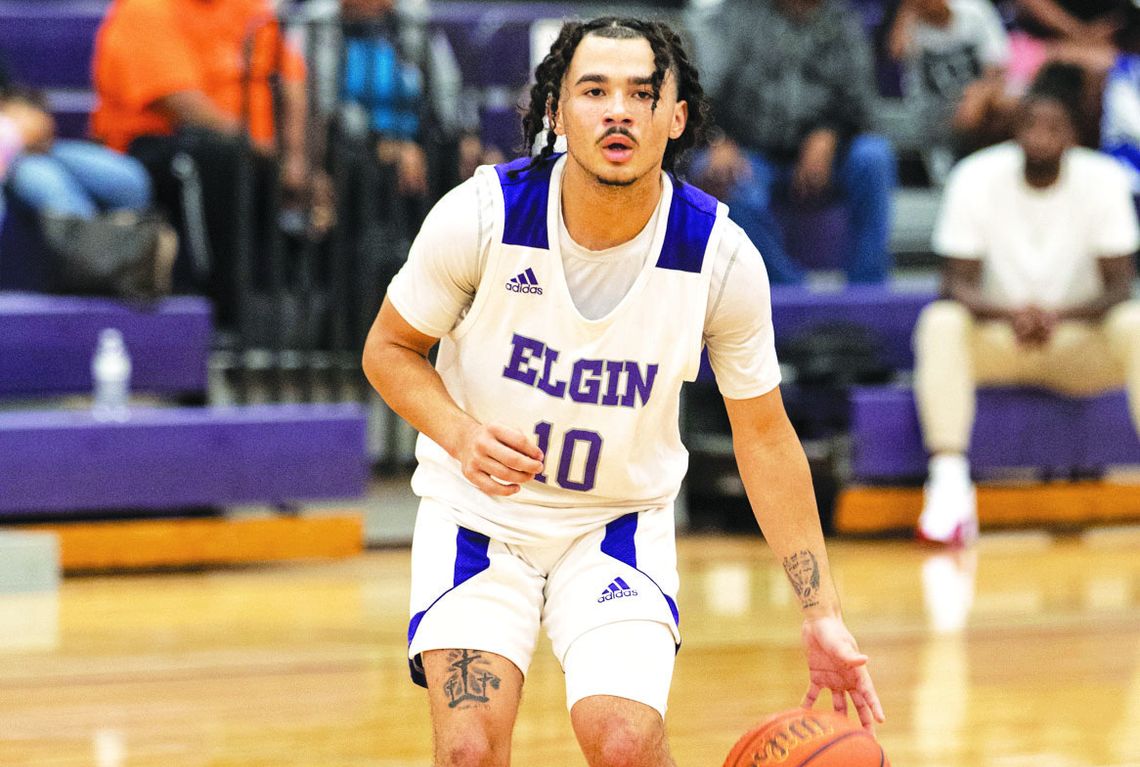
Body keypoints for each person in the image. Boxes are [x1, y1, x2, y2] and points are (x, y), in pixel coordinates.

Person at [362, 16, 884, 766]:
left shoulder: (719, 256)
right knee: (468, 751)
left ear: (675, 118)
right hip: (477, 519)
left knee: (623, 743)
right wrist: (460, 432)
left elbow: (764, 436)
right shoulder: (481, 215)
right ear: (555, 110)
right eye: (594, 90)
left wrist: (821, 612)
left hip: (614, 525)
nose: (618, 110)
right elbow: (388, 349)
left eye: (642, 93)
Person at [913, 62, 1140, 545]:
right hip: (1001, 339)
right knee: (940, 321)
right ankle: (950, 489)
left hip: (1078, 344)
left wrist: (1058, 316)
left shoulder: (1103, 180)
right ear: (1015, 132)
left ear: (1074, 136)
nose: (1041, 137)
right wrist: (1012, 314)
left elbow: (1121, 286)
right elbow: (954, 284)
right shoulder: (975, 177)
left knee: (1136, 321)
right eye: (1031, 125)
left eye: (1054, 127)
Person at [90, 0, 329, 326]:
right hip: (161, 149)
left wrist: (298, 162)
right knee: (218, 157)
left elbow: (293, 84)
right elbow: (181, 104)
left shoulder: (249, 8)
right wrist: (272, 159)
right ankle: (225, 315)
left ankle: (341, 325)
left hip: (262, 154)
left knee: (356, 159)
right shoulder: (144, 9)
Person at [685, 0, 896, 285]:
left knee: (874, 157)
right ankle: (788, 292)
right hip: (749, 150)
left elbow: (862, 104)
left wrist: (829, 133)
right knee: (724, 176)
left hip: (831, 154)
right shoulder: (731, 19)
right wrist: (716, 138)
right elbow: (698, 92)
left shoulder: (843, 24)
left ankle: (867, 289)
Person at [887, 0, 1016, 162]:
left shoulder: (974, 10)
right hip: (934, 110)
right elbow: (896, 52)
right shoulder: (912, 22)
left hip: (978, 101)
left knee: (1008, 105)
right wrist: (908, 12)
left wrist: (977, 96)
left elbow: (998, 66)